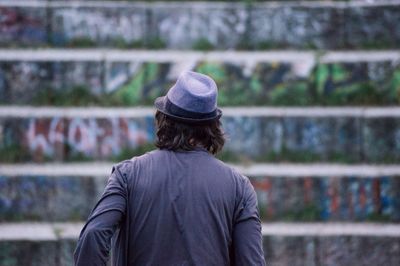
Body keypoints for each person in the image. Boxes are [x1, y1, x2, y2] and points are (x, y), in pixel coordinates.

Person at [74, 71, 266, 266]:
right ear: (213, 127)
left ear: (163, 120)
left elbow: (93, 235)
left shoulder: (128, 175)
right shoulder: (239, 188)